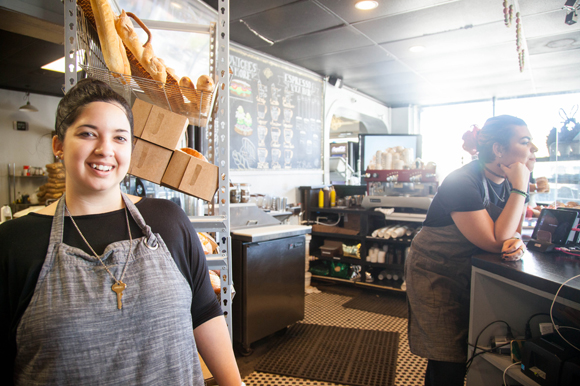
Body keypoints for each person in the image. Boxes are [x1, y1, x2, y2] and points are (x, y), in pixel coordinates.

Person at [0, 78, 242, 385]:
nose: (105, 150)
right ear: (58, 145)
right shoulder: (15, 243)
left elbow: (205, 313)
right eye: (88, 134)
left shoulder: (168, 221)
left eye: (119, 138)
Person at [404, 115, 538, 386]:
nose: (532, 149)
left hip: (466, 270)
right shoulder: (462, 181)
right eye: (525, 142)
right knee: (448, 357)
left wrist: (519, 187)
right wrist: (521, 187)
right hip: (435, 272)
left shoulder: (505, 180)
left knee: (459, 352)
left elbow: (511, 233)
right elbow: (493, 240)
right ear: (499, 149)